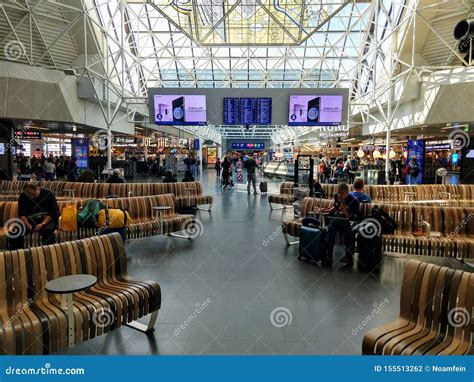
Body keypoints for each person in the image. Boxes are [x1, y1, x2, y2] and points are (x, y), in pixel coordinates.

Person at [8, 182, 59, 250]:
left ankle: (47, 253)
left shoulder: (49, 194)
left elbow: (53, 212)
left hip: (47, 220)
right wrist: (27, 223)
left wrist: (42, 223)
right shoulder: (23, 196)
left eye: (34, 195)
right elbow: (22, 214)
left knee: (47, 231)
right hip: (30, 221)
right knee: (15, 231)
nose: (31, 197)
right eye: (29, 196)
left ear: (38, 189)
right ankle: (17, 254)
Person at [322, 183, 361, 267]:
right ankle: (329, 254)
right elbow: (336, 207)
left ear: (347, 192)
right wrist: (328, 210)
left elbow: (350, 217)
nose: (339, 195)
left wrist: (343, 204)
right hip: (340, 220)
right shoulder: (336, 196)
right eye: (338, 192)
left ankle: (348, 256)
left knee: (349, 230)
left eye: (342, 193)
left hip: (352, 221)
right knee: (331, 228)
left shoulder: (354, 201)